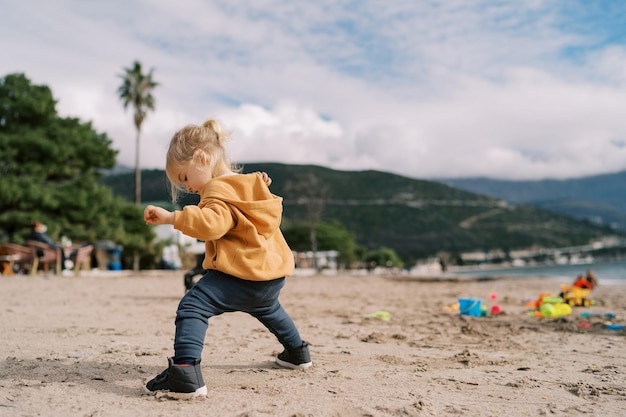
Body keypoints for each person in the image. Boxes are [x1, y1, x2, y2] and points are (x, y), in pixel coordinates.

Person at [142, 118, 311, 399]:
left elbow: (213, 224)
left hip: (241, 273)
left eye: (184, 177)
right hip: (269, 274)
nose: (187, 188)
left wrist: (173, 217)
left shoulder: (217, 191)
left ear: (201, 157)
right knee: (269, 309)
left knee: (194, 305)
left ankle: (184, 372)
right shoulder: (248, 185)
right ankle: (297, 353)